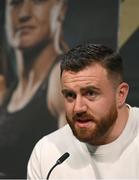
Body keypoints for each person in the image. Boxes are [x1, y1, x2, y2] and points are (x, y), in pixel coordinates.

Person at [27, 43, 139, 179]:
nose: (78, 108)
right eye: (70, 95)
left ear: (120, 94)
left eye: (90, 93)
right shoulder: (47, 153)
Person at [0, 0, 68, 178]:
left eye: (38, 1)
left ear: (60, 9)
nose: (23, 14)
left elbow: (72, 166)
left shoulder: (60, 78)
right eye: (15, 3)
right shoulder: (8, 91)